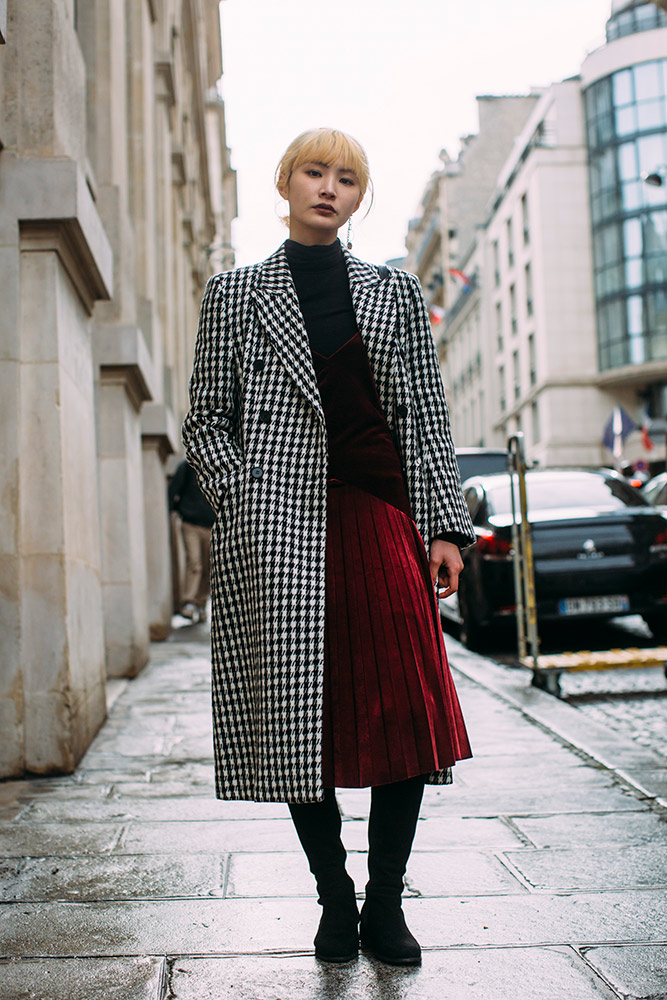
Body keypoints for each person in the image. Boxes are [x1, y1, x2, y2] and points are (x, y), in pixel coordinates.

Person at [183, 128, 474, 967]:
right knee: (294, 719)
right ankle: (332, 896)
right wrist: (244, 501)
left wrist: (444, 526)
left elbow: (423, 416)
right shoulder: (235, 293)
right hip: (280, 528)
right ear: (285, 182)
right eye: (314, 172)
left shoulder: (390, 290)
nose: (328, 188)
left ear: (357, 197)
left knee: (401, 715)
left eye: (346, 178)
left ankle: (386, 902)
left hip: (381, 520)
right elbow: (206, 417)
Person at [168, 458, 214, 621]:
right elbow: (173, 490)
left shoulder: (219, 465)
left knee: (209, 566)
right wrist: (174, 510)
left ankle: (201, 603)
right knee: (194, 562)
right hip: (190, 523)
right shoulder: (187, 466)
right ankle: (188, 601)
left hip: (213, 525)